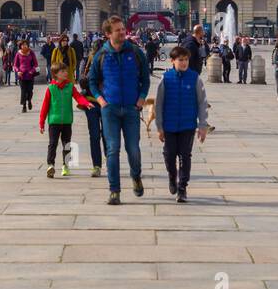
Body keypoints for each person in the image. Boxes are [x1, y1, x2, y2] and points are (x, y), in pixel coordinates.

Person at [88, 15, 151, 205]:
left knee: (133, 149)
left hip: (132, 109)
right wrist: (100, 100)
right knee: (112, 149)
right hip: (110, 110)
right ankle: (114, 190)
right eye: (118, 30)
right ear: (108, 34)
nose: (123, 32)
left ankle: (136, 175)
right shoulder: (101, 55)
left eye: (123, 29)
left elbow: (145, 78)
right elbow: (92, 81)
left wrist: (141, 98)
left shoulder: (135, 52)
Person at [154, 45, 210, 203]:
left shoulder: (195, 78)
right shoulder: (166, 79)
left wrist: (203, 125)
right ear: (172, 61)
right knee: (169, 155)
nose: (184, 63)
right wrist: (159, 127)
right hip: (169, 126)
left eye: (186, 60)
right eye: (180, 60)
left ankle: (182, 187)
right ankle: (172, 176)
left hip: (187, 125)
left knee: (185, 156)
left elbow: (202, 102)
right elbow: (159, 103)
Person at [38, 63, 94, 178]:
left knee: (67, 144)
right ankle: (50, 165)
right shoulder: (51, 88)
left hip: (67, 121)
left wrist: (86, 103)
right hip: (54, 121)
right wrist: (41, 122)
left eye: (66, 71)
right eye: (63, 71)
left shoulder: (70, 86)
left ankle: (66, 165)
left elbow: (78, 97)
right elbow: (45, 106)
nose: (66, 73)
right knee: (52, 144)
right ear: (55, 74)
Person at [14, 38, 39, 112]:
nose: (24, 46)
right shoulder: (18, 54)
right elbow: (15, 65)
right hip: (22, 75)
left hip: (30, 75)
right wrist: (18, 71)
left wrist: (32, 70)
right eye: (23, 45)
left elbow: (36, 64)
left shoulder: (31, 53)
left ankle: (29, 100)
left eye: (26, 45)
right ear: (20, 46)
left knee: (30, 90)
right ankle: (24, 106)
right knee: (23, 91)